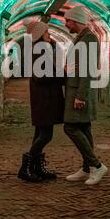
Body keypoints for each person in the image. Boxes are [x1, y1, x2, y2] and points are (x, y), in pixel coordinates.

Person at [63, 6, 108, 185]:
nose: (66, 24)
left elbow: (88, 69)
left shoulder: (89, 39)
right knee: (83, 128)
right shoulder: (81, 38)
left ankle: (97, 166)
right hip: (76, 88)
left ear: (76, 20)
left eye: (68, 21)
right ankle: (87, 168)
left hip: (79, 91)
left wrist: (81, 95)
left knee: (70, 128)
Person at [17, 21, 65, 182]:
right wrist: (62, 74)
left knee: (40, 133)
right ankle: (26, 167)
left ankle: (36, 167)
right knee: (46, 135)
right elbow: (41, 76)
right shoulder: (39, 52)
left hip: (43, 97)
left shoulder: (42, 49)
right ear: (39, 34)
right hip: (44, 99)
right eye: (47, 32)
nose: (49, 35)